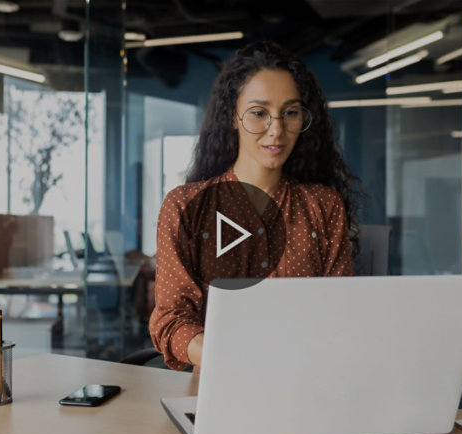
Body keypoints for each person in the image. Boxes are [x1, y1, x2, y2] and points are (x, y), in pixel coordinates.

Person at [149, 41, 361, 370]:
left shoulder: (324, 205)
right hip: (219, 386)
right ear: (232, 117)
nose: (276, 130)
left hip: (306, 383)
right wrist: (233, 358)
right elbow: (171, 320)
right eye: (259, 113)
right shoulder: (185, 206)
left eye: (290, 113)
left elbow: (341, 314)